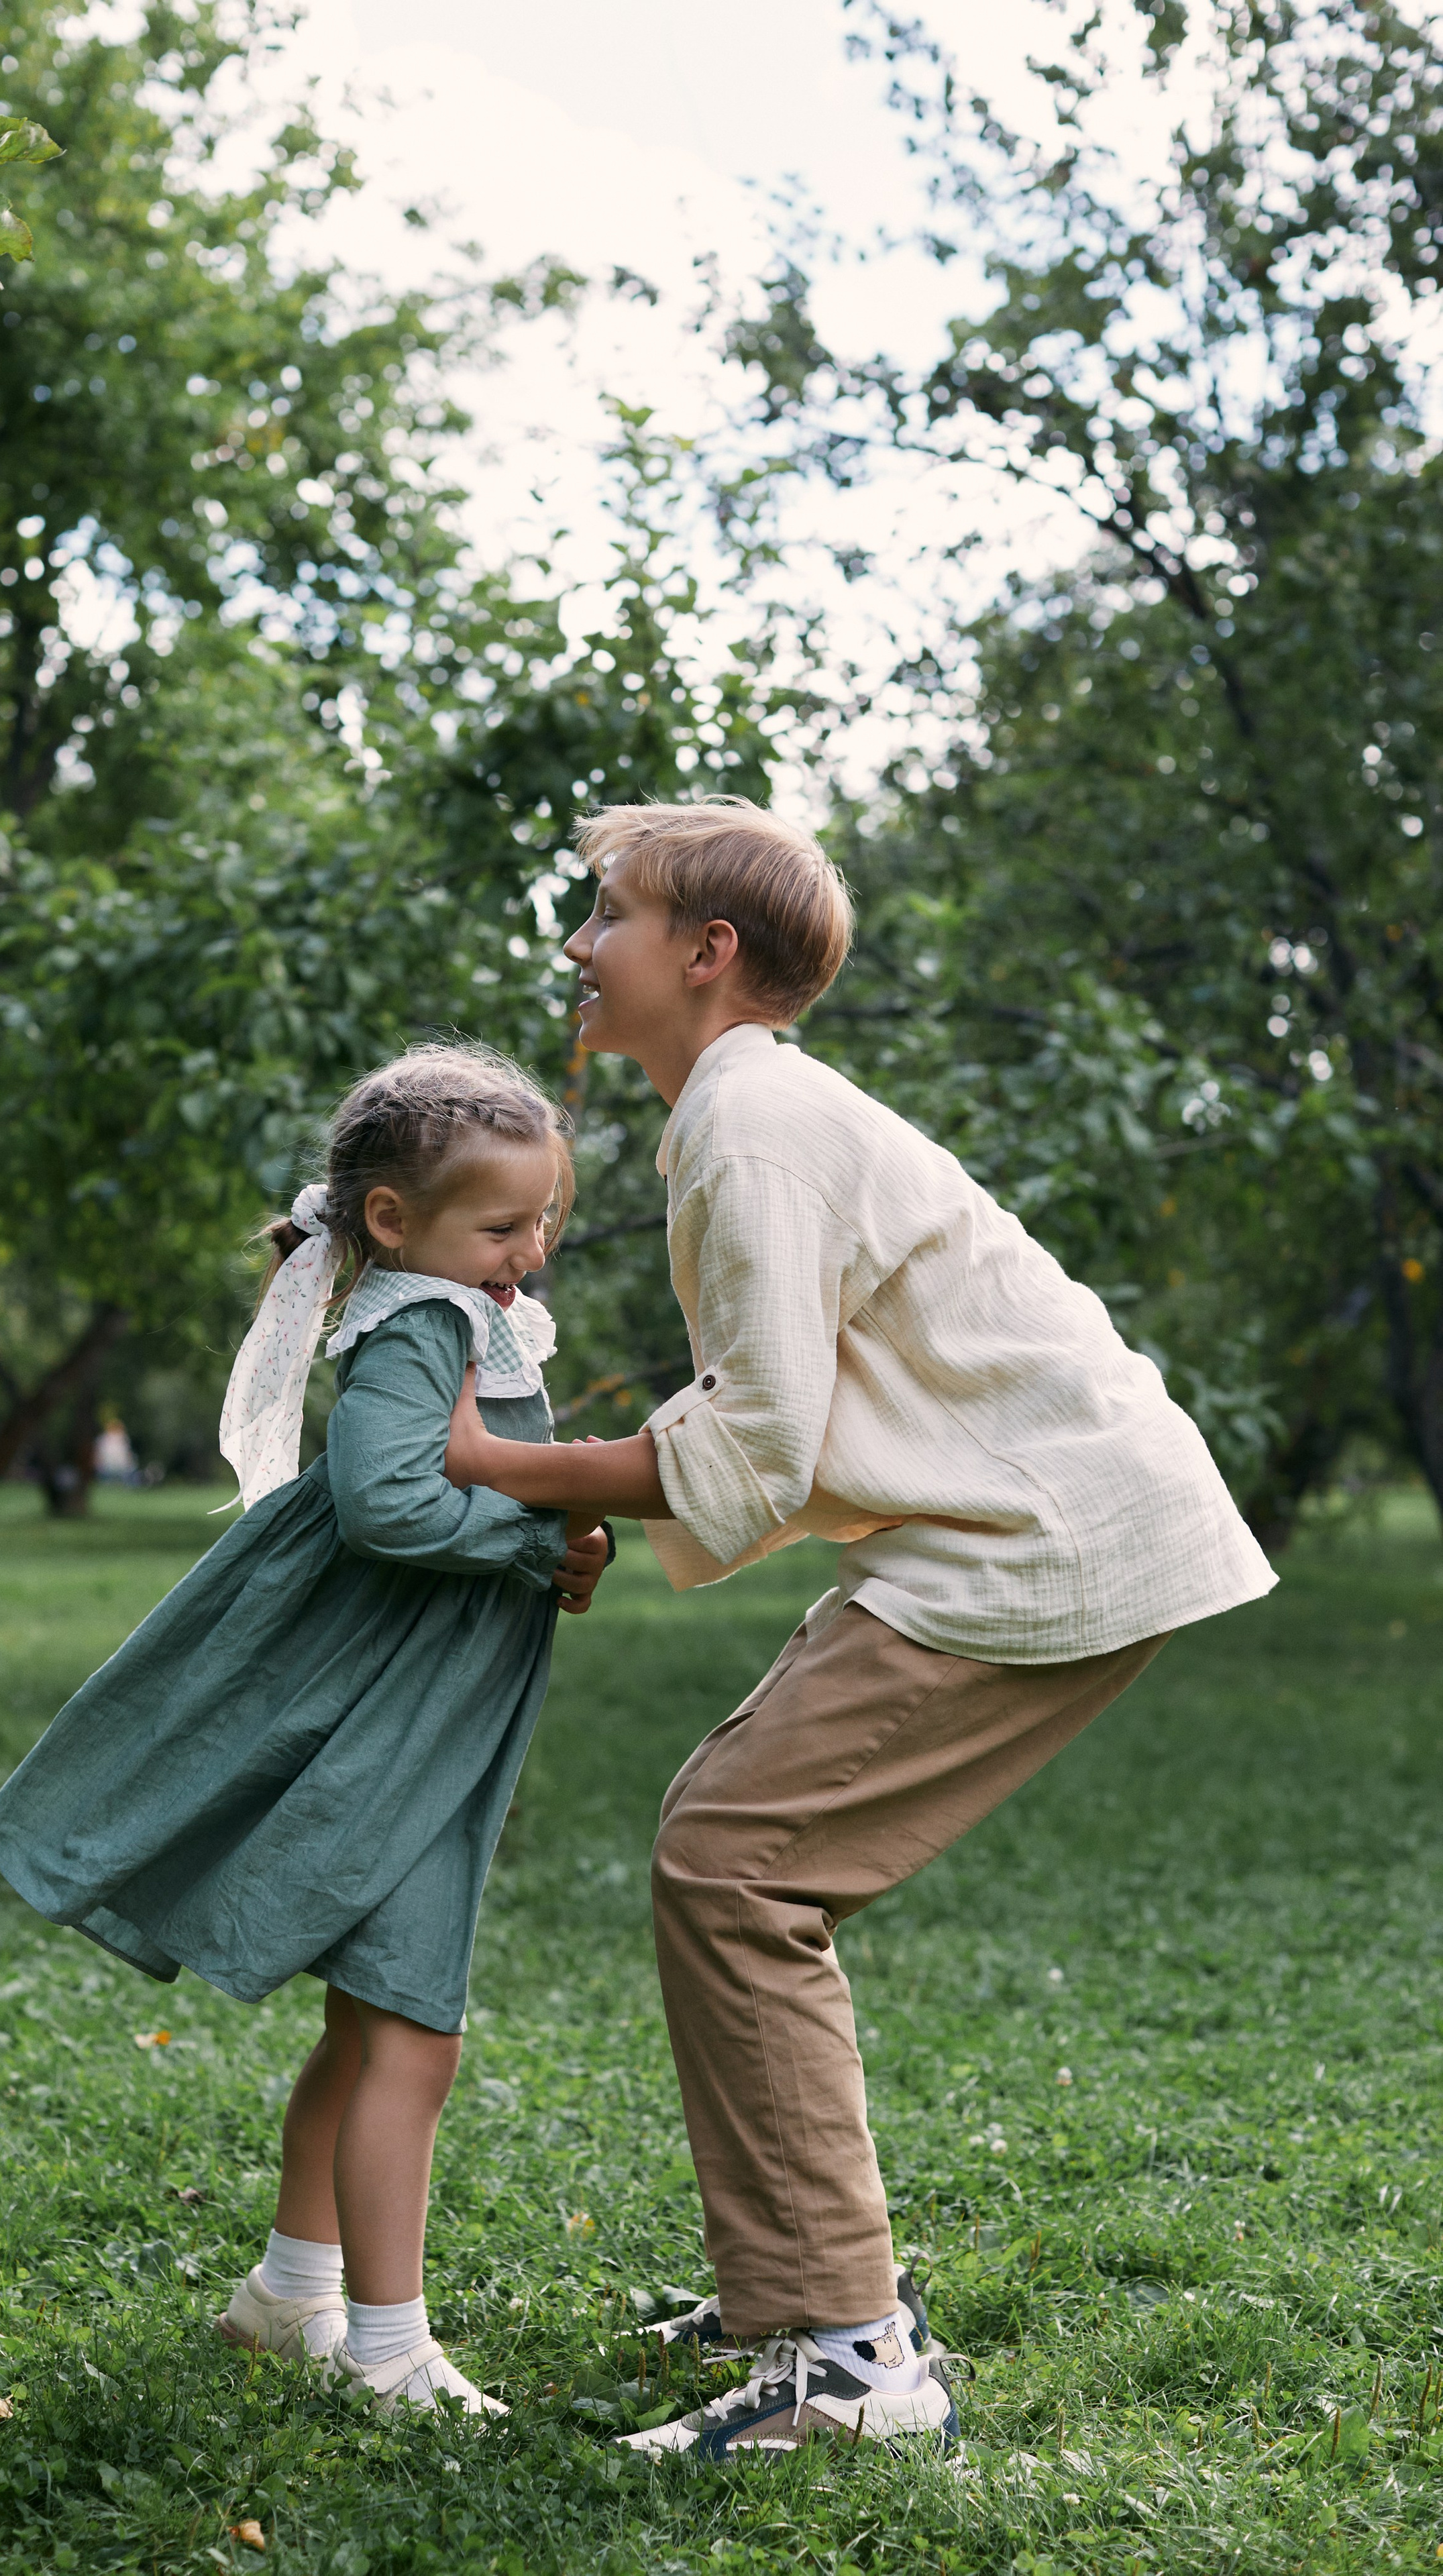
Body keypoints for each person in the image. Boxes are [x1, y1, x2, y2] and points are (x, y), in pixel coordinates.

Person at [442, 798, 1275, 2457]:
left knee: (736, 1857)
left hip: (1040, 1538)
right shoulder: (747, 1112)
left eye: (603, 912)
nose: (572, 947)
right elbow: (780, 1418)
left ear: (706, 951)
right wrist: (589, 1492)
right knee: (727, 1848)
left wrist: (495, 1463)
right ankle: (793, 2296)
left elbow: (755, 1445)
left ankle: (847, 2356)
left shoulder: (750, 1122)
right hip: (1032, 1524)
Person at [0, 1043, 612, 2418]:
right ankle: (386, 2348)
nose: (530, 1248)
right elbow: (388, 1504)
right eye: (501, 1224)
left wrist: (549, 1547)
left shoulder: (462, 1310)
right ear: (393, 1222)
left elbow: (459, 1483)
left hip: (423, 1694)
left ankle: (288, 2292)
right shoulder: (427, 1320)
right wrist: (520, 1543)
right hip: (389, 1702)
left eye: (542, 1221)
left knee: (375, 2012)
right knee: (410, 2029)